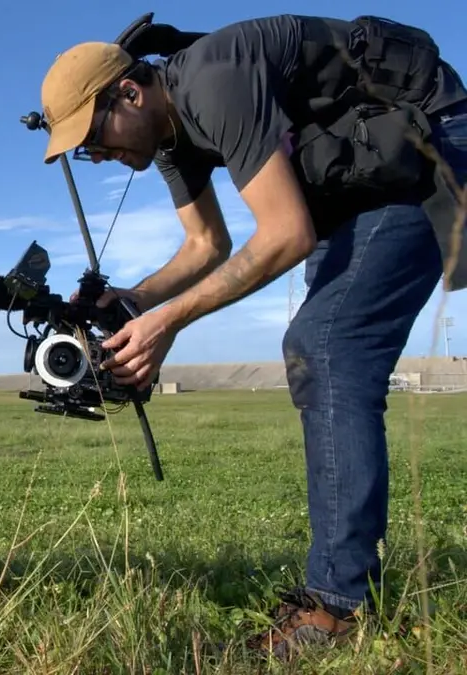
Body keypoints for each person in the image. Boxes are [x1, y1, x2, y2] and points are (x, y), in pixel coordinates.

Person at [38, 13, 466, 661]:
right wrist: (134, 299)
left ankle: (338, 605)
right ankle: (338, 590)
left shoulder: (211, 82)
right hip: (361, 182)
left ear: (129, 93)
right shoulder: (167, 135)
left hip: (425, 142)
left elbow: (286, 234)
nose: (99, 156)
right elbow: (206, 244)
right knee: (323, 354)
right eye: (84, 152)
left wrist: (169, 321)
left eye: (94, 136)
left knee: (326, 347)